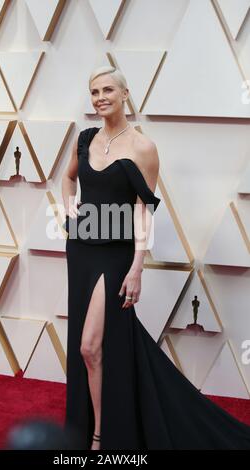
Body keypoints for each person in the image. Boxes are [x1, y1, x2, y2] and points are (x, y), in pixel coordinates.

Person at [61, 65, 250, 450]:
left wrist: (136, 269)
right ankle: (95, 424)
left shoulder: (144, 148)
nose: (100, 98)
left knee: (90, 345)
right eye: (94, 91)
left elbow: (142, 210)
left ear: (126, 94)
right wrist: (69, 212)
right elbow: (68, 178)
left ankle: (101, 435)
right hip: (80, 250)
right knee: (94, 345)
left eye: (108, 90)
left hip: (116, 256)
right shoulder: (84, 140)